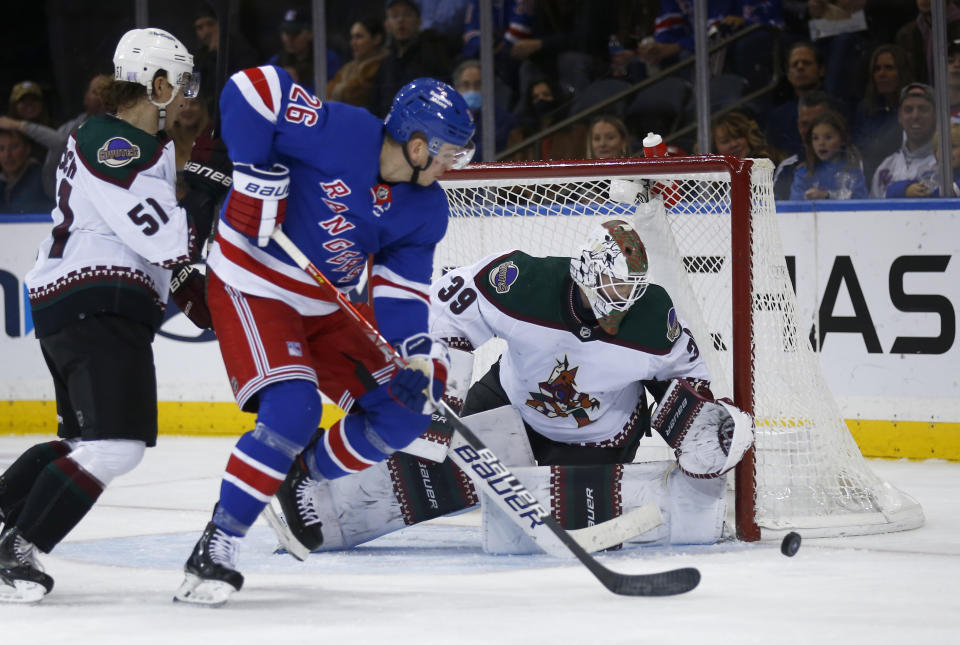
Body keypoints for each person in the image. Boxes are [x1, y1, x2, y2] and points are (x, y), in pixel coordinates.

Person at [264, 219, 754, 556]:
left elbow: (685, 376)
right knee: (429, 455)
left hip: (598, 437)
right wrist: (444, 389)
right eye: (611, 295)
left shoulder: (653, 317)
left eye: (630, 294)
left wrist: (704, 424)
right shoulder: (519, 281)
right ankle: (319, 495)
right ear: (584, 274)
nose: (620, 309)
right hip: (511, 401)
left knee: (577, 523)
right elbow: (442, 315)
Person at [172, 70, 475, 606]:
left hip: (327, 302)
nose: (455, 163)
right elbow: (252, 88)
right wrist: (253, 175)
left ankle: (300, 474)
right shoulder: (343, 131)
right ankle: (216, 545)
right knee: (291, 411)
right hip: (253, 280)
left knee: (407, 413)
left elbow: (401, 295)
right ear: (419, 143)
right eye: (451, 152)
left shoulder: (427, 209)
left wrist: (417, 359)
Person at [0, 27, 225, 603]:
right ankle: (18, 549)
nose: (185, 96)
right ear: (155, 83)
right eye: (179, 83)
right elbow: (159, 232)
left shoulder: (129, 145)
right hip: (96, 304)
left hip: (84, 306)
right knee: (115, 446)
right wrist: (196, 199)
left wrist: (186, 278)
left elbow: (158, 244)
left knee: (84, 446)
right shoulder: (114, 140)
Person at [0, 74, 112, 199]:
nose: (102, 97)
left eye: (34, 101)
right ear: (85, 98)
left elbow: (60, 143)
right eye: (96, 92)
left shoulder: (128, 129)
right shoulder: (68, 129)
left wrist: (20, 125)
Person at [367, 0, 452, 117]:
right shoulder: (386, 64)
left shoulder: (434, 55)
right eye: (395, 16)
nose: (401, 20)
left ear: (419, 22)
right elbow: (376, 105)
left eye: (407, 15)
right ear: (387, 25)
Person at [853, 44, 913, 184]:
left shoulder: (913, 108)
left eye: (889, 68)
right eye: (877, 69)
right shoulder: (865, 108)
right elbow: (859, 149)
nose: (882, 73)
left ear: (902, 72)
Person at [871, 82, 937, 198]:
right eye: (908, 110)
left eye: (923, 109)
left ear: (936, 115)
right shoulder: (886, 167)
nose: (915, 116)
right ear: (899, 117)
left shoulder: (949, 164)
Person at [765, 42, 830, 158]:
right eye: (794, 65)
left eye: (807, 63)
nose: (800, 67)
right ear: (789, 75)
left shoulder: (837, 107)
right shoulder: (778, 117)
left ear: (821, 70)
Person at [789, 111, 867, 200]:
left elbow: (860, 200)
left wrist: (827, 196)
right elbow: (795, 203)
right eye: (815, 138)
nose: (821, 143)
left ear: (842, 140)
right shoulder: (804, 172)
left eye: (828, 137)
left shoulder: (852, 171)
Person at [268, 6, 343, 96]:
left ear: (310, 34)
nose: (289, 39)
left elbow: (329, 96)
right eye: (286, 32)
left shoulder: (326, 60)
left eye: (295, 33)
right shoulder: (276, 61)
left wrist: (294, 85)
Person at [506, 76, 586, 161]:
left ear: (556, 97)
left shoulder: (575, 131)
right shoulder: (518, 136)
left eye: (546, 95)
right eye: (535, 97)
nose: (541, 99)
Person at [773, 90, 835, 199]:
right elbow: (776, 211)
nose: (811, 131)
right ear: (798, 125)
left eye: (817, 123)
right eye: (805, 124)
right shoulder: (788, 168)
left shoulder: (850, 165)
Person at [452, 58, 516, 161]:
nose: (472, 90)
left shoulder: (503, 120)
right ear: (457, 89)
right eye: (466, 85)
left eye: (478, 84)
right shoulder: (448, 121)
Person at [326, 18, 388, 107]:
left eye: (359, 37)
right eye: (352, 37)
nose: (353, 43)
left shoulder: (382, 66)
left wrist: (338, 92)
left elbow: (356, 96)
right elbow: (328, 90)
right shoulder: (347, 68)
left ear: (376, 39)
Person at [0, 128, 53, 214]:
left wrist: (20, 125)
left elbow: (61, 143)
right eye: (1, 149)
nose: (7, 155)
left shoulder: (44, 176)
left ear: (27, 149)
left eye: (14, 147)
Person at [711, 111, 782, 163]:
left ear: (748, 137)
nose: (734, 144)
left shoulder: (764, 162)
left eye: (738, 136)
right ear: (715, 146)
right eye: (725, 141)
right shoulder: (709, 174)